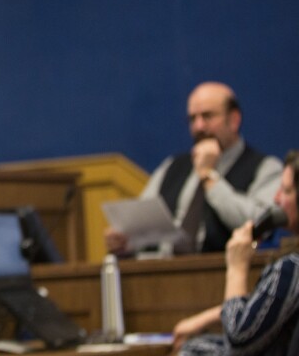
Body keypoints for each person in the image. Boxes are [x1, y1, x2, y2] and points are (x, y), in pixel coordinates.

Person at [129, 151, 299, 356]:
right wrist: (208, 317)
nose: (275, 198)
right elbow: (264, 310)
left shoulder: (291, 268)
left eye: (286, 191)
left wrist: (237, 266)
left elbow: (239, 339)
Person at [106, 82, 282, 255]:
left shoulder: (265, 168)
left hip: (225, 273)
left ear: (234, 120)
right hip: (165, 273)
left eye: (207, 116)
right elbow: (140, 226)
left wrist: (209, 176)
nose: (199, 126)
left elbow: (261, 225)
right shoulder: (172, 166)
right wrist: (124, 240)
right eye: (193, 119)